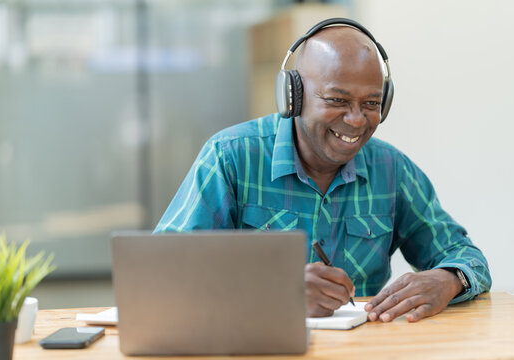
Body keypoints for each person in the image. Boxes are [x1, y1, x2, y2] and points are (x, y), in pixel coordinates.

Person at [154, 19, 491, 322]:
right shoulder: (231, 157)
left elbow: (465, 256)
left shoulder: (392, 170)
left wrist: (448, 279)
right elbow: (162, 273)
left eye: (371, 103)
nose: (357, 119)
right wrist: (275, 292)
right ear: (293, 97)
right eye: (337, 100)